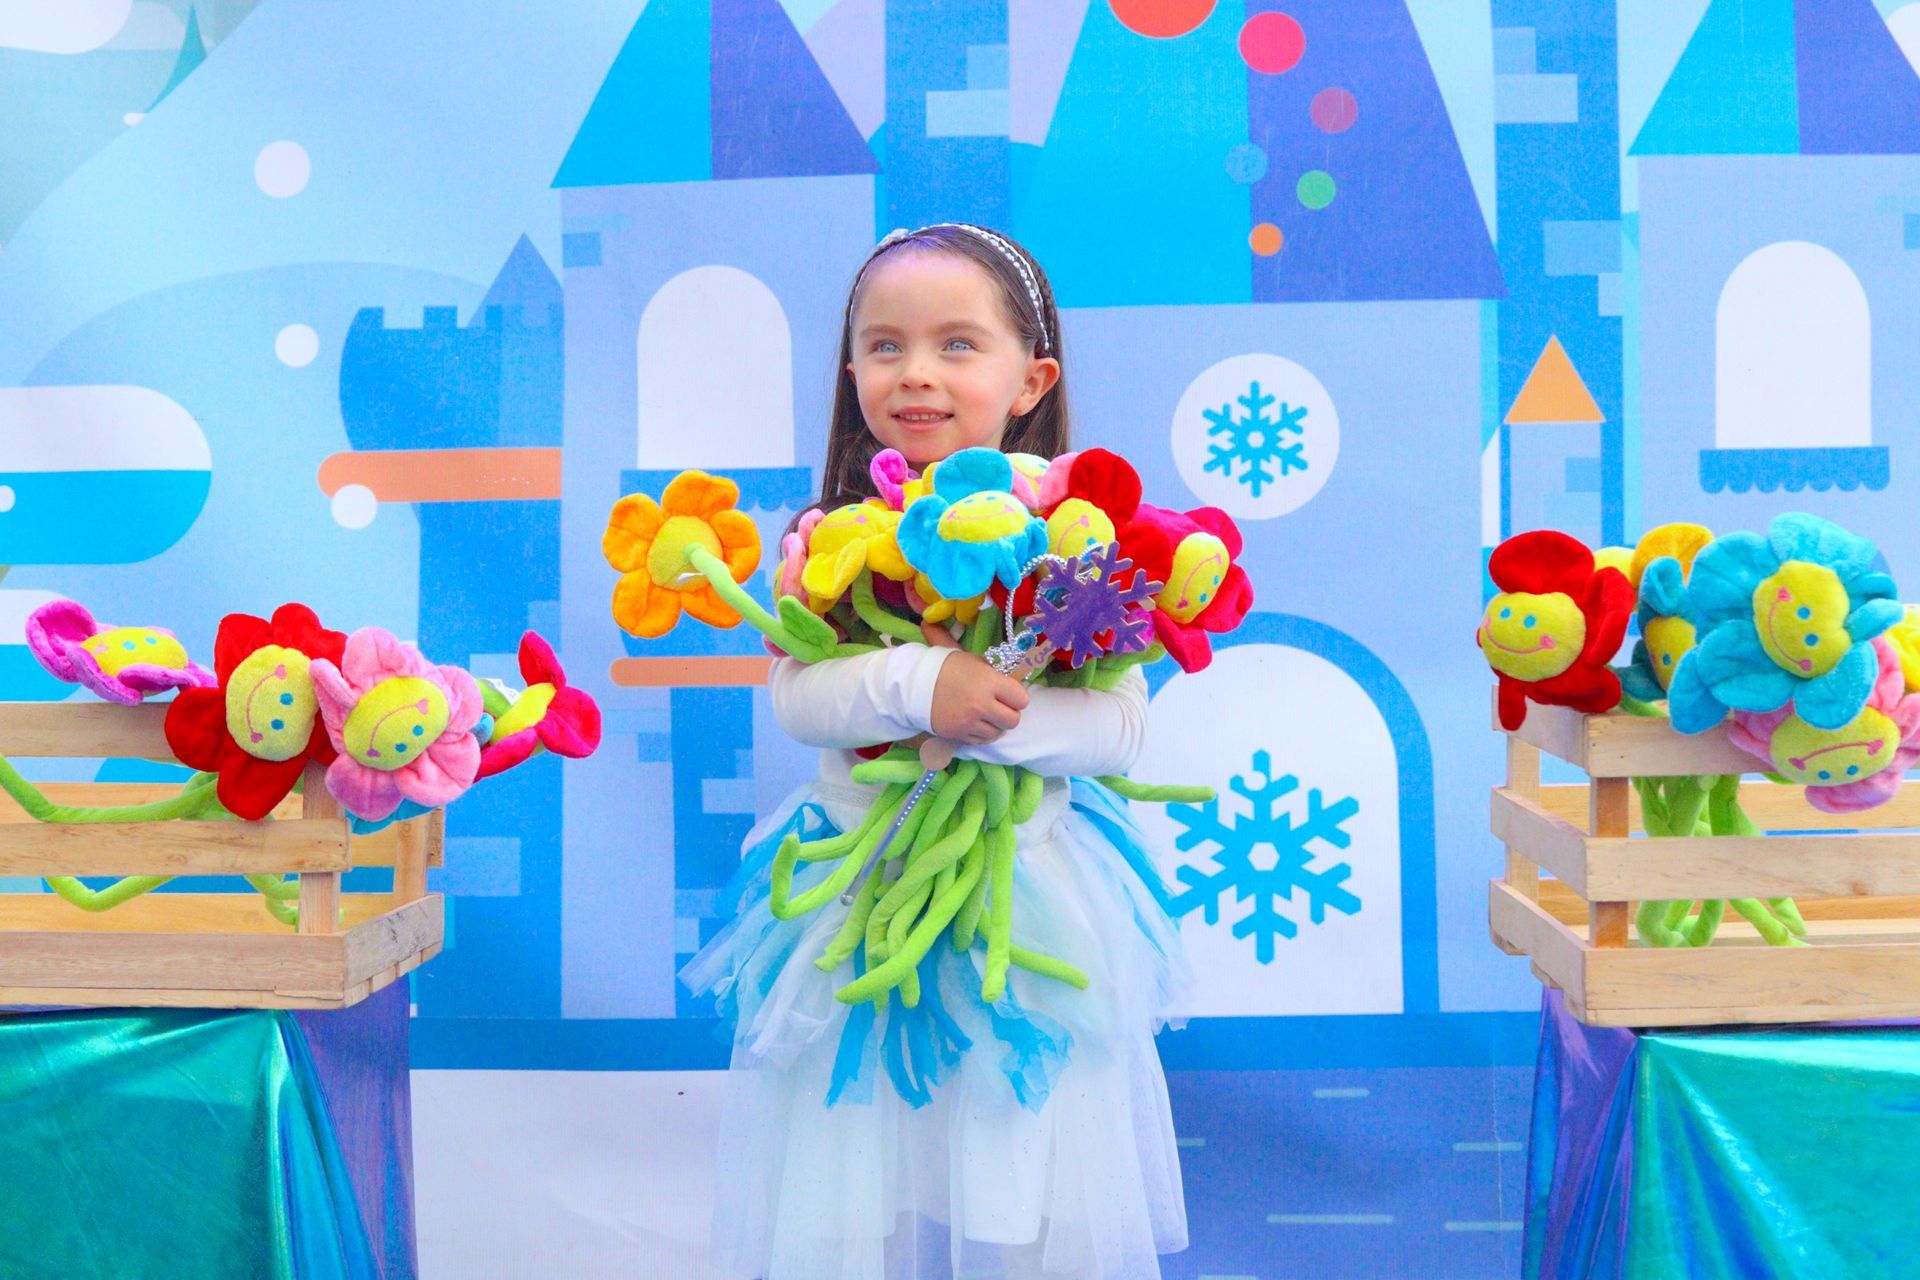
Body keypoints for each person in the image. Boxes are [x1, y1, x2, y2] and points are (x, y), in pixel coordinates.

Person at [683, 223, 1190, 1279]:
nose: (916, 372)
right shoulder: (831, 537)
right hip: (861, 891)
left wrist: (991, 720)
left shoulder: (1074, 536)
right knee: (846, 1167)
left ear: (1029, 377)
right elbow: (800, 696)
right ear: (851, 367)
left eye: (958, 345)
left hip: (1031, 893)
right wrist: (922, 685)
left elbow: (1121, 723)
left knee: (1018, 1166)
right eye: (884, 346)